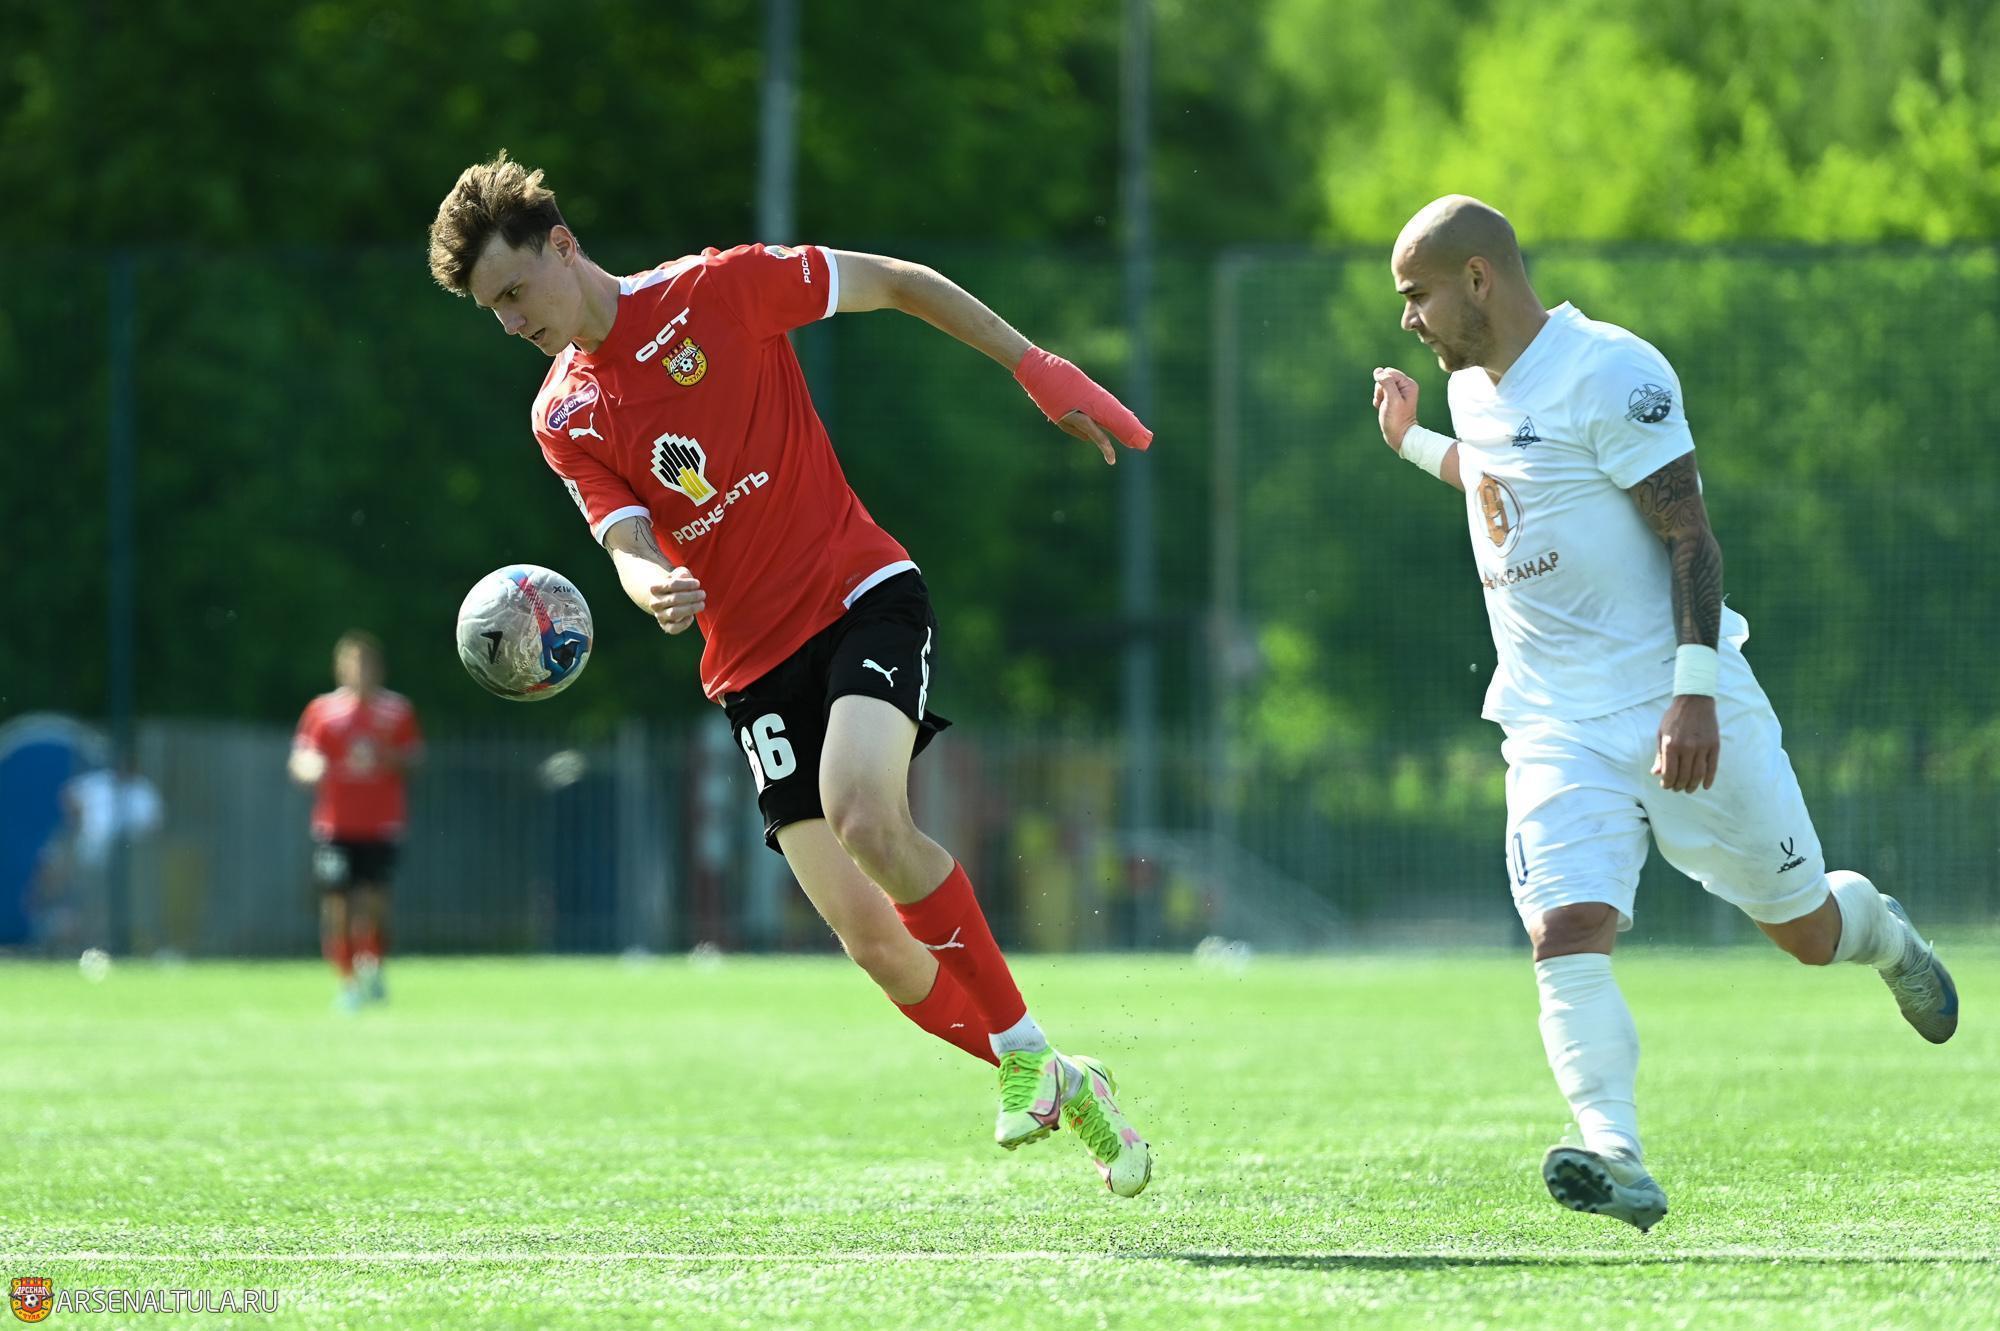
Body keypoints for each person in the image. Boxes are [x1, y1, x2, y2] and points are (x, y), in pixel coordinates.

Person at [427, 152, 1153, 1197]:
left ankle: (1024, 1052)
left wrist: (1031, 364)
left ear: (563, 246)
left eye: (512, 291)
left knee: (864, 813)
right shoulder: (562, 414)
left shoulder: (716, 289)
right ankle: (1055, 1072)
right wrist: (651, 584)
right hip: (750, 669)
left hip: (859, 594)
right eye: (490, 309)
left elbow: (897, 281)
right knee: (874, 943)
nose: (508, 322)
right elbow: (624, 537)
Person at [1369, 196, 1959, 1232]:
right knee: (1565, 927)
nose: (1407, 319)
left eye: (1416, 294)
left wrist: (1693, 692)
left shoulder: (1611, 369)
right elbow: (1497, 477)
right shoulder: (1468, 385)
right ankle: (1615, 1152)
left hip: (1675, 700)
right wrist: (1413, 441)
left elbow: (1689, 537)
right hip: (1549, 719)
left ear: (1478, 278)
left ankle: (1880, 931)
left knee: (1805, 932)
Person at [290, 631, 424, 1013]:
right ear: (340, 669)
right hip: (335, 827)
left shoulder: (396, 712)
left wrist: (387, 758)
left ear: (379, 669)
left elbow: (414, 759)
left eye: (366, 663)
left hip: (381, 825)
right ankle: (347, 982)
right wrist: (311, 768)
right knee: (338, 906)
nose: (360, 671)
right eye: (353, 664)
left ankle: (374, 964)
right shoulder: (322, 711)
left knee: (375, 905)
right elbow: (301, 758)